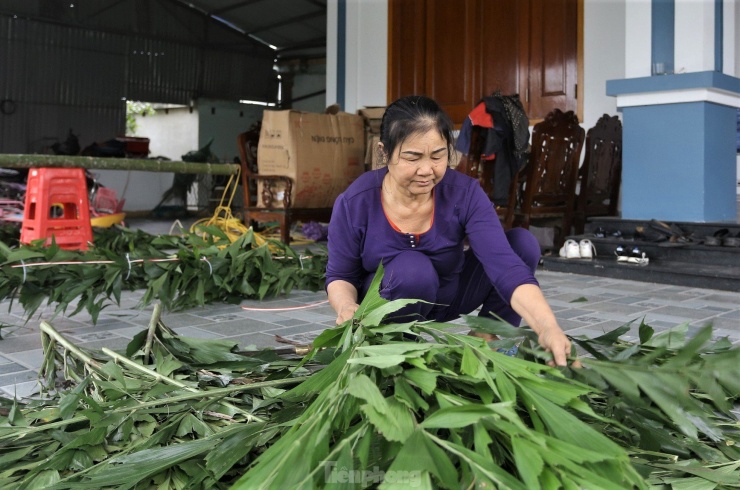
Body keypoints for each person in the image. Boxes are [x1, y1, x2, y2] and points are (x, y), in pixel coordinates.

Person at [326, 95, 574, 367]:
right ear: (384, 153)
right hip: (388, 304)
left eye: (438, 155)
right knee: (412, 268)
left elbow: (505, 266)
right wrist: (346, 307)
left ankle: (487, 338)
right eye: (412, 157)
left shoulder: (464, 193)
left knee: (521, 244)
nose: (426, 170)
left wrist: (547, 327)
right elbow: (341, 276)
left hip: (449, 295)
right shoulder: (355, 202)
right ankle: (397, 348)